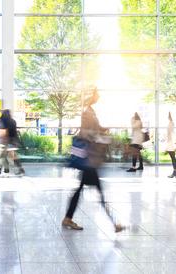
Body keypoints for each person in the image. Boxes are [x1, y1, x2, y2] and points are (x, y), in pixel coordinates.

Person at [62, 87, 124, 233]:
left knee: (81, 190)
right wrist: (98, 136)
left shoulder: (90, 111)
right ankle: (114, 224)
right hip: (89, 160)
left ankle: (68, 218)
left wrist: (102, 129)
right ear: (92, 97)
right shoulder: (87, 113)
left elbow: (93, 129)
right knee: (98, 191)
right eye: (97, 95)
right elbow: (85, 132)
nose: (98, 97)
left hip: (90, 160)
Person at [166, 112, 176, 178]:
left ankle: (175, 172)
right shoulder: (170, 123)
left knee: (173, 157)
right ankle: (175, 172)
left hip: (171, 143)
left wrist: (175, 144)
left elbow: (173, 133)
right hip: (170, 142)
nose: (168, 116)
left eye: (169, 115)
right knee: (173, 157)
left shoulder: (171, 123)